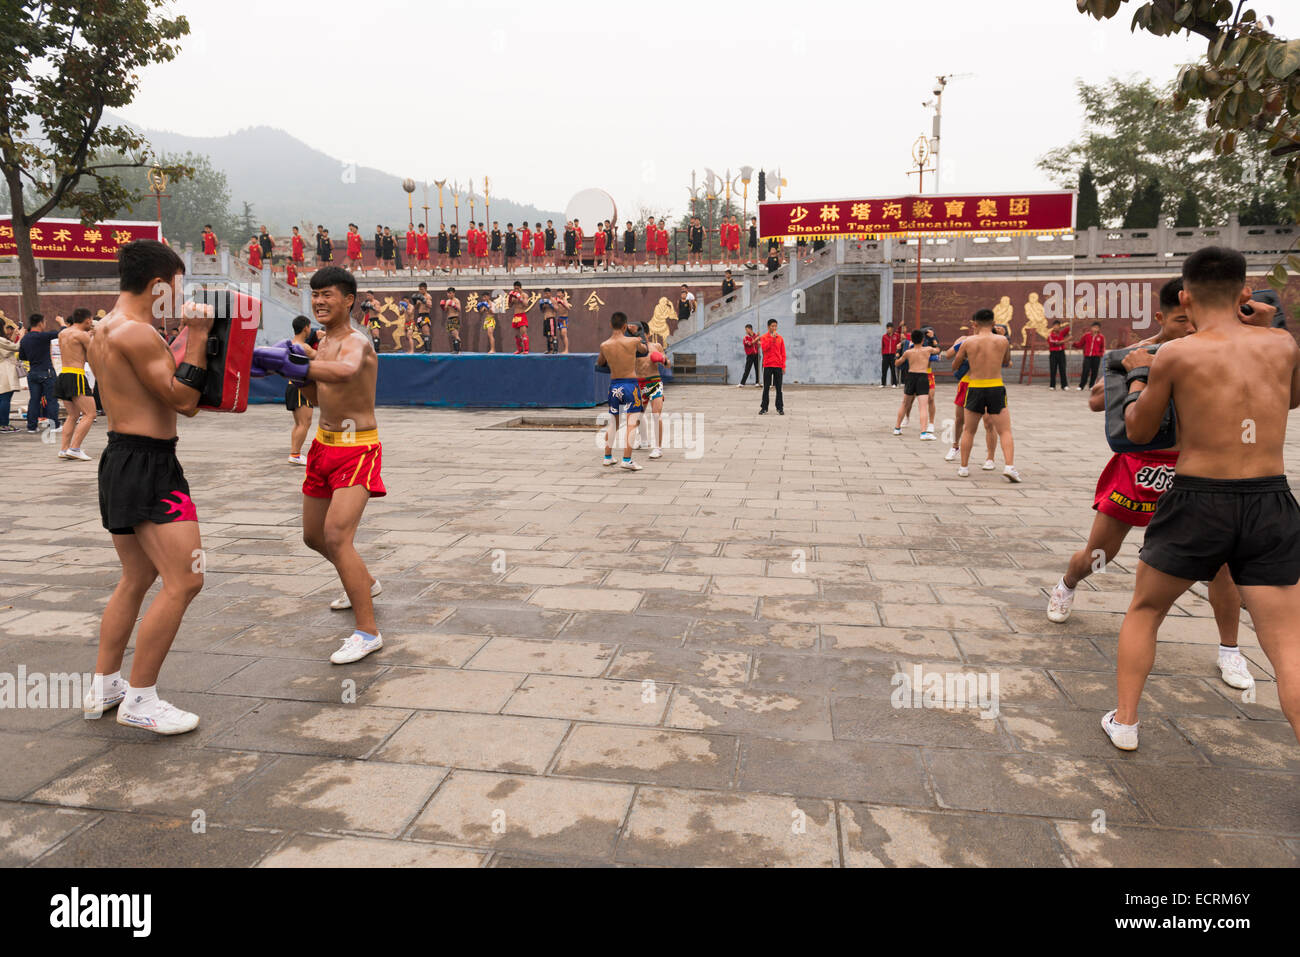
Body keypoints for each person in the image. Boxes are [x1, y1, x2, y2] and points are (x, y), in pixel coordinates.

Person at [1102, 247, 1300, 749]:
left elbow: (1140, 430)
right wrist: (1274, 322)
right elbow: (1290, 398)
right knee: (1287, 646)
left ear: (1184, 298)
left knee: (1146, 610)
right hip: (1269, 498)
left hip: (1198, 498)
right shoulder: (1281, 344)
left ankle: (1125, 722)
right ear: (1244, 294)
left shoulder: (1177, 353)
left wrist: (1138, 375)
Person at [83, 239, 212, 735]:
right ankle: (141, 699)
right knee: (186, 580)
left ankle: (106, 684)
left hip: (121, 456)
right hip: (148, 463)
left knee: (136, 578)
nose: (180, 296)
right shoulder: (137, 334)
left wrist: (181, 337)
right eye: (177, 286)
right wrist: (196, 335)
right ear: (159, 284)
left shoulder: (102, 329)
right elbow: (184, 400)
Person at [255, 266, 387, 665]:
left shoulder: (356, 343)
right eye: (315, 295)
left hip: (357, 448)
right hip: (323, 447)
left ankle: (367, 632)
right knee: (313, 537)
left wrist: (296, 365)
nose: (319, 302)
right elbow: (315, 391)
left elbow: (345, 373)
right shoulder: (321, 343)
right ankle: (363, 581)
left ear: (348, 299)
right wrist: (293, 370)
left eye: (328, 295)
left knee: (336, 536)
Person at [951, 308, 1019, 481]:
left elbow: (955, 365)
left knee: (969, 430)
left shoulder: (968, 342)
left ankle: (964, 467)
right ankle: (1009, 466)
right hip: (995, 386)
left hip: (975, 387)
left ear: (975, 324)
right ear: (994, 323)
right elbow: (1005, 361)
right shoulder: (1003, 340)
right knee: (1004, 430)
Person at [596, 311, 652, 470]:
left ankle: (607, 457)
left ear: (610, 325)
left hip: (614, 386)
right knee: (631, 423)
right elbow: (645, 350)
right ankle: (626, 460)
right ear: (625, 325)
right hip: (630, 385)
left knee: (613, 422)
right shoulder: (633, 341)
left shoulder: (604, 345)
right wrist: (639, 332)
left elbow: (600, 363)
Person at [941, 331, 998, 466]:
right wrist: (961, 345)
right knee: (960, 419)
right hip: (967, 382)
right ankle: (955, 446)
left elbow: (1007, 362)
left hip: (986, 383)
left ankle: (990, 458)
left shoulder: (996, 339)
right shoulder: (965, 339)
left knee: (988, 421)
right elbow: (948, 355)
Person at [56, 308, 97, 460]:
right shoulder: (82, 335)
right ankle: (74, 448)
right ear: (87, 320)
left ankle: (64, 449)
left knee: (73, 415)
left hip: (64, 373)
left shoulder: (63, 333)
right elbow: (94, 355)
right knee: (90, 414)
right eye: (91, 321)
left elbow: (76, 352)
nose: (91, 323)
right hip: (76, 375)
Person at [632, 320, 671, 457]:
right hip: (639, 383)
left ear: (647, 333)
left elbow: (668, 365)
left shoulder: (656, 346)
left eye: (641, 332)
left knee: (656, 414)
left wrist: (663, 359)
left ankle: (658, 448)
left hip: (654, 383)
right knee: (638, 415)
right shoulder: (633, 347)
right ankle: (643, 440)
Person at [18, 313, 62, 433]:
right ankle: (54, 425)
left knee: (34, 400)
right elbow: (62, 332)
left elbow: (22, 356)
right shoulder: (43, 336)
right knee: (52, 399)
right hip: (46, 372)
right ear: (40, 323)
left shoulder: (25, 338)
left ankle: (32, 426)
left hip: (33, 373)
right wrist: (61, 323)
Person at [285, 315, 319, 466]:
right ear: (306, 328)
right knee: (305, 423)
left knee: (299, 423)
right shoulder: (303, 347)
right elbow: (321, 357)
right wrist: (324, 340)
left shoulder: (290, 344)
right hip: (300, 387)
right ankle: (295, 454)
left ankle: (295, 452)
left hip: (292, 385)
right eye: (310, 327)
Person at [892, 330, 938, 439]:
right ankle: (923, 433)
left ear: (911, 340)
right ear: (923, 340)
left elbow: (897, 363)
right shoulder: (927, 349)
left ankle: (897, 428)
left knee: (904, 403)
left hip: (910, 377)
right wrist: (933, 338)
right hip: (922, 377)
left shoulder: (908, 352)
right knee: (923, 406)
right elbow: (938, 350)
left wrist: (897, 351)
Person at [758, 318, 786, 415]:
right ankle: (764, 408)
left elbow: (783, 353)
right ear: (768, 327)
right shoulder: (764, 337)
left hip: (778, 365)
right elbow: (764, 349)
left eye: (775, 326)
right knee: (766, 387)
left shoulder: (780, 338)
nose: (774, 328)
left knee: (779, 388)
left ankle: (780, 408)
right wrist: (772, 339)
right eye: (772, 326)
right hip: (768, 365)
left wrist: (783, 366)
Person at [0, 323, 20, 433]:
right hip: (4, 371)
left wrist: (14, 336)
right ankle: (4, 424)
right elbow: (16, 347)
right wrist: (21, 336)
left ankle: (3, 423)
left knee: (2, 398)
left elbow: (8, 347)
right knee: (5, 398)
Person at [1074, 321, 1105, 391]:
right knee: (1085, 370)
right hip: (1088, 356)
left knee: (1094, 371)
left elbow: (1102, 347)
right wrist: (1074, 344)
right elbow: (1080, 344)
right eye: (1094, 327)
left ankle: (1091, 385)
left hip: (1096, 357)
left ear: (1099, 329)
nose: (1095, 329)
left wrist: (1101, 354)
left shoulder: (1101, 337)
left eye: (1097, 328)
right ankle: (1081, 386)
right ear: (1091, 328)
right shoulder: (1086, 335)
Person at [1047, 319, 1069, 389]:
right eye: (1055, 326)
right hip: (1053, 353)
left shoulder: (1061, 333)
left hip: (1061, 353)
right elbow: (1057, 343)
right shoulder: (1050, 335)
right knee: (1053, 369)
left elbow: (1068, 328)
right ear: (1053, 326)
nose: (1056, 327)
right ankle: (1052, 385)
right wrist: (1067, 339)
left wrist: (1070, 321)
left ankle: (1064, 385)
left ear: (1059, 326)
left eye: (1058, 326)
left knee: (1062, 369)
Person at [508, 280, 530, 353]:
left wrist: (520, 298)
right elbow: (509, 306)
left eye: (517, 288)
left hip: (522, 315)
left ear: (521, 288)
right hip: (515, 316)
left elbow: (526, 304)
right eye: (515, 289)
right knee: (517, 335)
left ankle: (526, 349)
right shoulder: (514, 296)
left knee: (523, 333)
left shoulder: (524, 295)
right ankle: (519, 349)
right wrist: (510, 298)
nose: (516, 290)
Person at [412, 282, 433, 353]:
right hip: (420, 315)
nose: (420, 291)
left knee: (426, 332)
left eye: (421, 289)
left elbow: (430, 305)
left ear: (425, 289)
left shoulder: (428, 296)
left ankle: (428, 350)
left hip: (425, 315)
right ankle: (426, 349)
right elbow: (416, 308)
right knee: (423, 333)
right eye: (419, 289)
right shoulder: (419, 296)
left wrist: (424, 300)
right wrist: (415, 302)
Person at [441, 288, 462, 354]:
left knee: (455, 334)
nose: (449, 294)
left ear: (453, 293)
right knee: (453, 335)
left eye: (450, 293)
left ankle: (458, 350)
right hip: (449, 318)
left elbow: (459, 309)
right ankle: (456, 349)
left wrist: (454, 305)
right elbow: (445, 310)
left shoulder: (456, 300)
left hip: (455, 318)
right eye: (448, 293)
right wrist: (443, 307)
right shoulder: (447, 301)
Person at [880, 322, 901, 387]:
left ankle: (894, 383)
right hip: (885, 354)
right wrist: (883, 354)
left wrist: (897, 352)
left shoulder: (896, 336)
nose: (888, 329)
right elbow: (883, 346)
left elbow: (898, 344)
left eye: (889, 328)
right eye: (887, 328)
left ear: (892, 328)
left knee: (893, 369)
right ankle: (883, 383)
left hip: (893, 354)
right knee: (884, 369)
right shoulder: (884, 336)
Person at [539, 288, 558, 354]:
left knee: (553, 334)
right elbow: (542, 311)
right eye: (545, 293)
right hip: (545, 319)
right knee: (548, 335)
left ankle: (555, 350)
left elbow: (556, 309)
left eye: (547, 293)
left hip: (551, 319)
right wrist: (541, 306)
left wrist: (550, 304)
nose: (546, 295)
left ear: (550, 293)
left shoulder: (553, 300)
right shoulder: (544, 301)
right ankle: (550, 350)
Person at [555, 289, 571, 354]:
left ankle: (566, 350)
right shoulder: (556, 300)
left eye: (559, 292)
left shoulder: (564, 300)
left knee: (564, 334)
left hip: (564, 319)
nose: (558, 294)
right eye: (557, 292)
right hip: (559, 319)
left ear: (563, 294)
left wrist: (562, 303)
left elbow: (568, 308)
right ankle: (564, 349)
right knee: (561, 335)